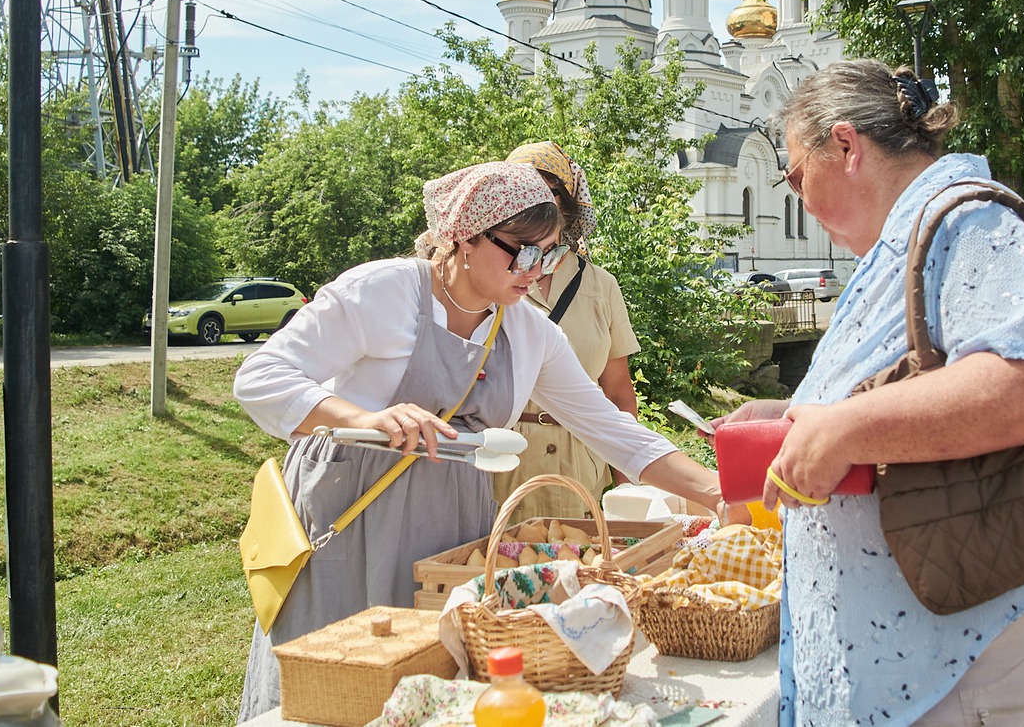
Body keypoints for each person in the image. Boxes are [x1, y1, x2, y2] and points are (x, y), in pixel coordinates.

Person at [720, 59, 1024, 726]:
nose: (798, 197)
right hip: (951, 648)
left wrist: (843, 430)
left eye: (796, 174)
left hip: (983, 651)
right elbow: (922, 382)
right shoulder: (916, 235)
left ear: (845, 146)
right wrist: (802, 415)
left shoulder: (968, 221)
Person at [232, 161, 725, 721]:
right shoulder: (384, 291)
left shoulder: (529, 331)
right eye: (523, 251)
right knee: (343, 678)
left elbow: (615, 430)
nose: (537, 271)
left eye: (552, 253)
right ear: (465, 235)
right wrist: (364, 418)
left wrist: (716, 490)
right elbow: (261, 377)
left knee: (433, 677)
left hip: (451, 525)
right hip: (354, 515)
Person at [492, 141, 640, 521]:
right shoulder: (487, 277)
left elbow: (620, 395)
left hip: (581, 470)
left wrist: (627, 487)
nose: (537, 198)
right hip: (501, 470)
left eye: (550, 190)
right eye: (525, 186)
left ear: (568, 203)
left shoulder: (601, 286)